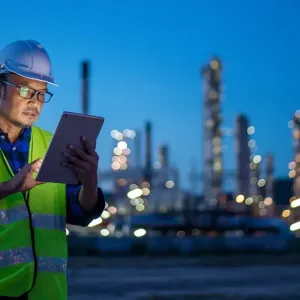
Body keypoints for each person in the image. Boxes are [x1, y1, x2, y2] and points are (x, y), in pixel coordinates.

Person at [0, 40, 106, 300]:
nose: (35, 102)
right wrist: (12, 186)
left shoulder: (52, 145)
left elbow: (80, 213)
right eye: (25, 90)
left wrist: (89, 179)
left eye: (42, 93)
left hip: (48, 293)